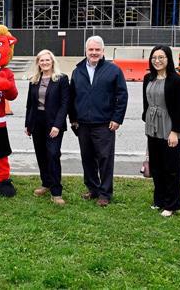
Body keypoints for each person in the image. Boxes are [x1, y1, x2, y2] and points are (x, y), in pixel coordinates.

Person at [69, 36, 128, 207]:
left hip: (104, 123)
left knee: (105, 159)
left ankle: (105, 193)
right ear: (86, 51)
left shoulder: (113, 70)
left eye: (97, 50)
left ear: (103, 51)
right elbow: (72, 96)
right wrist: (73, 119)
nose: (94, 53)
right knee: (87, 158)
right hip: (83, 124)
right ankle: (93, 188)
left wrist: (117, 119)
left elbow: (122, 96)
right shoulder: (78, 71)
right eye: (91, 50)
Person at [142, 45, 180, 217]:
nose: (157, 61)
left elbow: (179, 108)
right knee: (157, 167)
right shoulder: (148, 78)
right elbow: (147, 102)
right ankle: (159, 200)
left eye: (161, 57)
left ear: (168, 59)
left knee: (171, 168)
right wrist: (146, 118)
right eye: (154, 58)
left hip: (169, 127)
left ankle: (172, 204)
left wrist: (175, 131)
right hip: (152, 128)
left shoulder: (176, 81)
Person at [24, 49, 70, 205]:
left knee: (53, 154)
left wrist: (57, 125)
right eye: (41, 60)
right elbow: (30, 105)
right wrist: (27, 124)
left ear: (52, 62)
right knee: (41, 155)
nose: (44, 63)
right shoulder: (34, 80)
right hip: (37, 122)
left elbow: (65, 104)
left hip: (54, 123)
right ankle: (46, 184)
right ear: (38, 63)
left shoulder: (62, 79)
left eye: (47, 60)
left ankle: (56, 192)